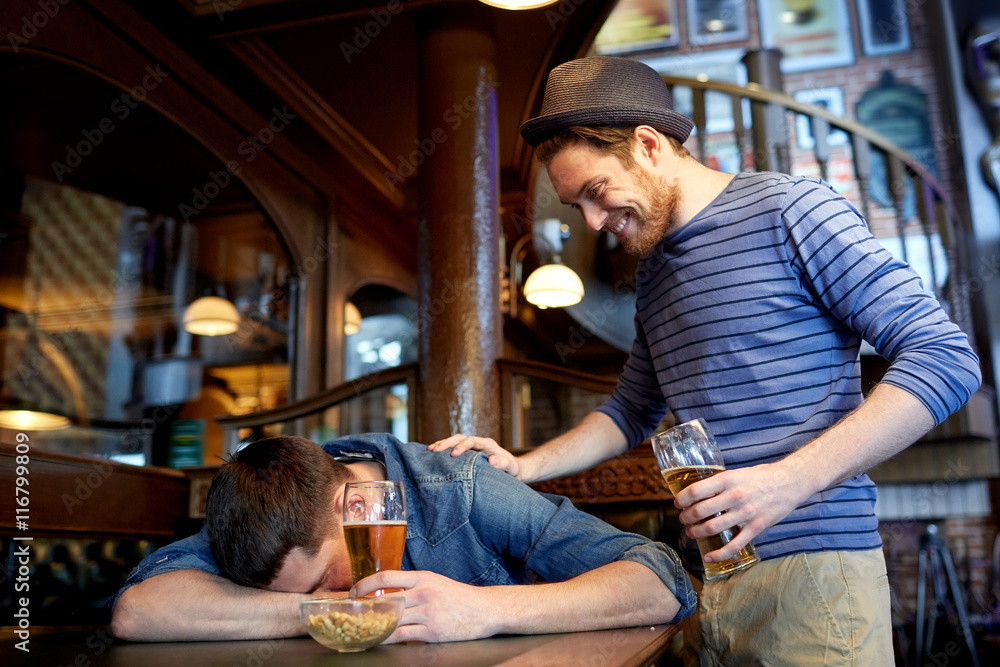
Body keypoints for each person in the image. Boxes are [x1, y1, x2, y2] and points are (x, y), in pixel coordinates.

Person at [429, 56, 983, 664]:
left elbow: (945, 357)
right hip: (707, 584)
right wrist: (524, 466)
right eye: (575, 207)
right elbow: (630, 411)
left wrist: (785, 482)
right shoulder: (656, 273)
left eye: (595, 192)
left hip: (816, 578)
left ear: (647, 144)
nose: (592, 221)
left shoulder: (791, 210)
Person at [109, 433, 696, 643]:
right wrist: (321, 608)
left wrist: (481, 611)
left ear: (358, 508)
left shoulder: (459, 486)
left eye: (322, 578)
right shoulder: (261, 511)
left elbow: (662, 583)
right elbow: (137, 612)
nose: (323, 593)